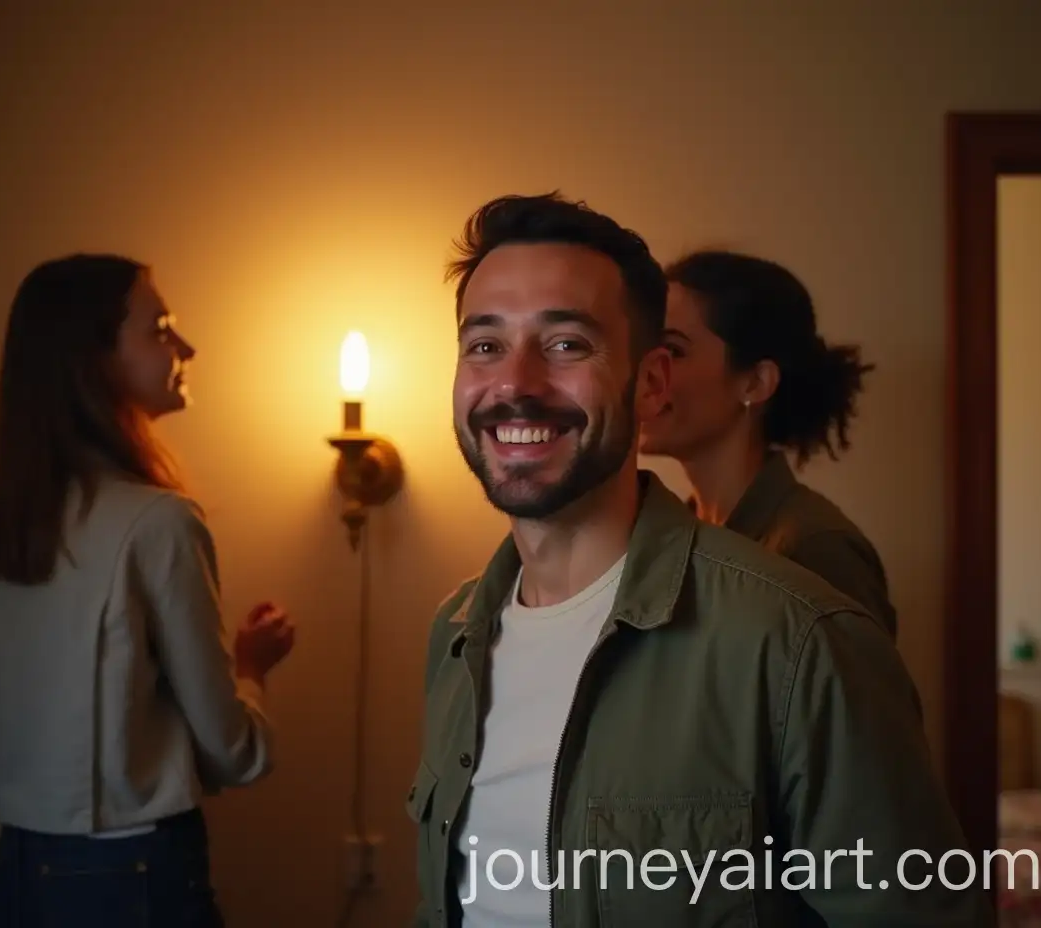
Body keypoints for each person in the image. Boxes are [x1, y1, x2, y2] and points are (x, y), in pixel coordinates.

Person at [406, 193, 992, 927]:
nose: (515, 382)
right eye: (484, 345)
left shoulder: (801, 640)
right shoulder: (453, 636)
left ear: (650, 383)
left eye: (565, 345)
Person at [0, 254, 295, 927]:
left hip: (16, 871)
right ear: (94, 358)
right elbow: (235, 752)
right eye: (160, 328)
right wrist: (251, 670)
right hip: (133, 876)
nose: (185, 348)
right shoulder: (158, 522)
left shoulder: (2, 524)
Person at [639, 249, 897, 638]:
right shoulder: (676, 536)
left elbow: (860, 697)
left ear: (756, 383)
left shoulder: (817, 549)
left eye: (673, 351)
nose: (649, 374)